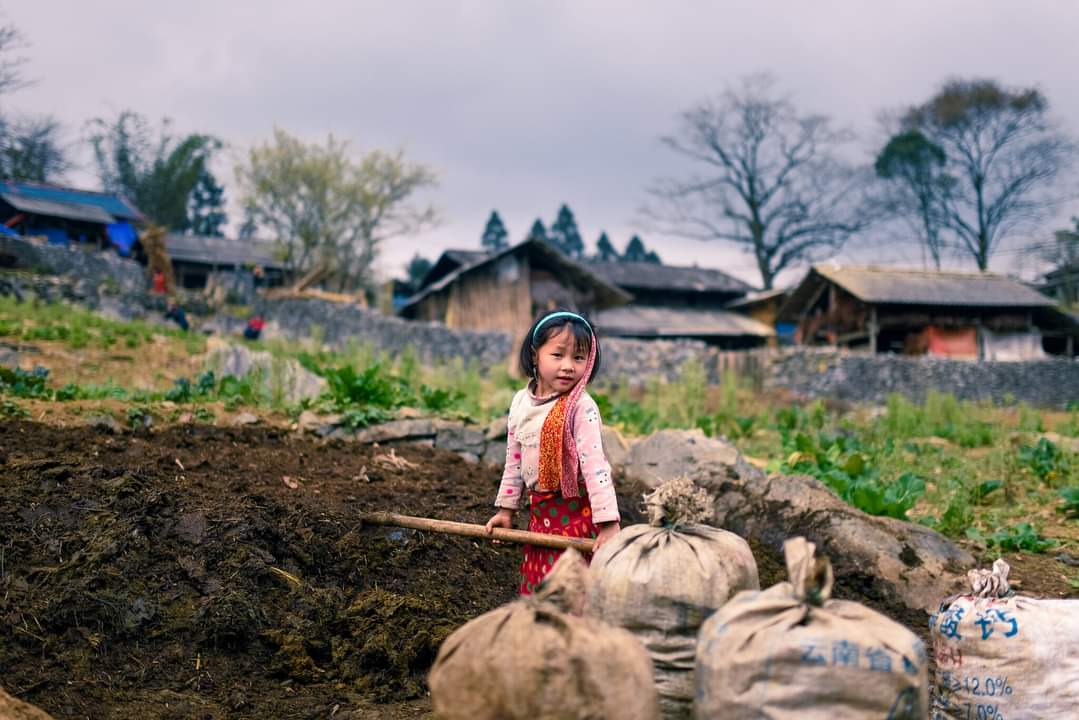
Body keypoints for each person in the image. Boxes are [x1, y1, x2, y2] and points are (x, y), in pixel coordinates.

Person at [485, 309, 620, 594]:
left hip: (578, 516)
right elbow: (514, 461)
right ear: (535, 355)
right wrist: (506, 511)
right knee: (540, 587)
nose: (568, 366)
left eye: (579, 358)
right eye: (557, 355)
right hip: (540, 513)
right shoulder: (521, 402)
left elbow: (596, 468)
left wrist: (608, 524)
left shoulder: (581, 407)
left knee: (572, 589)